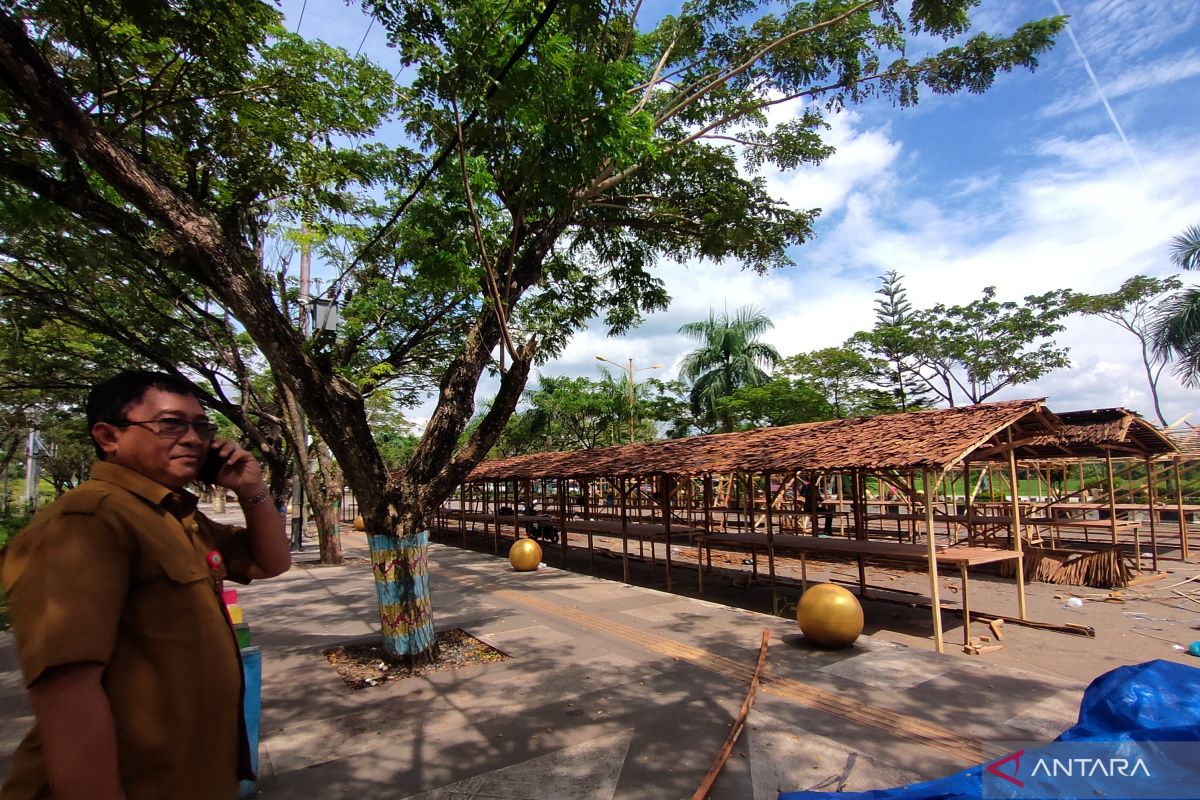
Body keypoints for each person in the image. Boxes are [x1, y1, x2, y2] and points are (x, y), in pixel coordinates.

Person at [0, 371, 291, 800]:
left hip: (191, 775)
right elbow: (66, 691)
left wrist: (252, 490)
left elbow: (271, 562)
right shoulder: (88, 523)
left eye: (201, 427)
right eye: (172, 424)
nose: (193, 438)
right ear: (108, 436)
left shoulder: (173, 515)